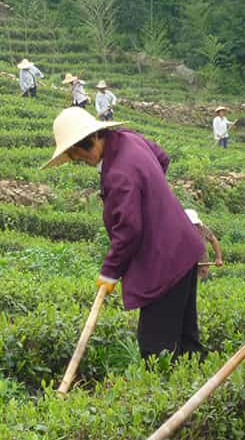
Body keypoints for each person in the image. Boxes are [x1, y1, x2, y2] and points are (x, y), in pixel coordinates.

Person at [43, 107, 205, 360]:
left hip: (163, 262)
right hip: (183, 248)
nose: (81, 160)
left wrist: (109, 272)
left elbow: (128, 231)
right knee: (186, 341)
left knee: (155, 348)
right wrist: (151, 197)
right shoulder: (129, 138)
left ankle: (166, 397)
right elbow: (162, 158)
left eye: (78, 154)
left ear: (92, 140)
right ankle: (194, 389)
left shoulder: (119, 174)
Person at [185, 209, 223, 282]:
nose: (194, 226)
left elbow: (214, 241)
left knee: (202, 286)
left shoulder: (203, 229)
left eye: (195, 224)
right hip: (184, 268)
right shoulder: (178, 229)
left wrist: (218, 258)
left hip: (202, 266)